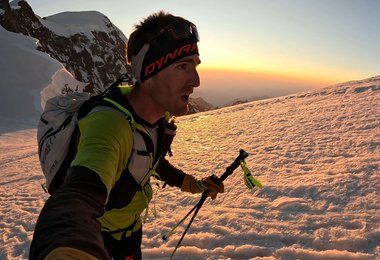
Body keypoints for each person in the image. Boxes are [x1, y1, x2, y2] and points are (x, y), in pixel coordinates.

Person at [30, 11, 224, 260]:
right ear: (149, 72)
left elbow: (152, 162)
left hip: (131, 236)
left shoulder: (153, 121)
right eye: (182, 66)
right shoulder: (110, 124)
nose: (195, 80)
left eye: (195, 66)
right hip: (103, 242)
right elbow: (79, 194)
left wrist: (194, 185)